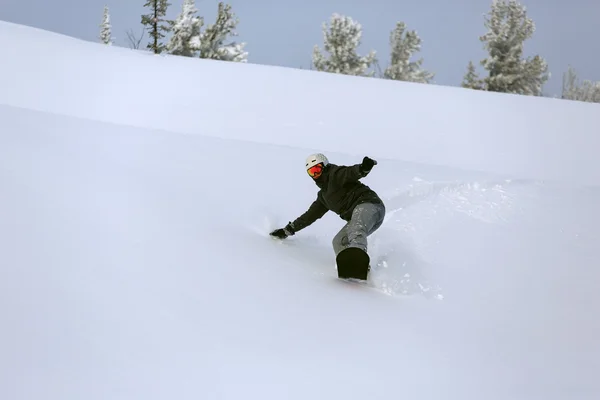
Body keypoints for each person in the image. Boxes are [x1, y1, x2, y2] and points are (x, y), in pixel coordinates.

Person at [270, 153, 386, 274]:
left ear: (324, 166)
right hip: (365, 219)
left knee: (356, 229)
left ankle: (356, 262)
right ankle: (357, 271)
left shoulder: (335, 174)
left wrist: (363, 168)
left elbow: (350, 172)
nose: (315, 175)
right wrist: (287, 230)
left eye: (317, 169)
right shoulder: (323, 197)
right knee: (339, 241)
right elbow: (309, 216)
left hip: (370, 205)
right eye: (311, 172)